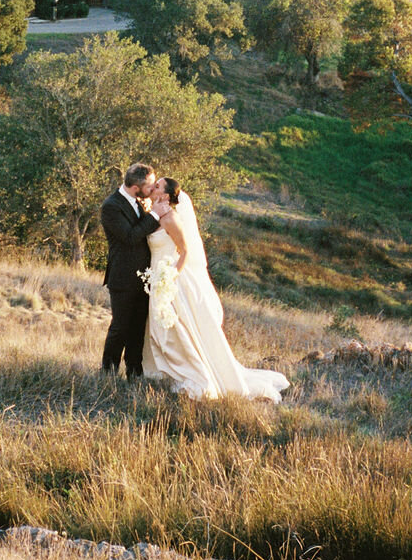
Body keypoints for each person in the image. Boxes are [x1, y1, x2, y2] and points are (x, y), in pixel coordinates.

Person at [142, 177, 288, 402]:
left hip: (172, 280)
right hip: (158, 276)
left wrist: (170, 277)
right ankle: (166, 371)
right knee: (163, 328)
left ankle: (194, 372)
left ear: (167, 196)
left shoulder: (171, 218)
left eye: (158, 186)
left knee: (178, 328)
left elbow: (184, 251)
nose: (154, 188)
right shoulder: (155, 216)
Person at [99, 161, 160, 379]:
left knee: (137, 330)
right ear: (136, 187)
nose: (152, 190)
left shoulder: (139, 201)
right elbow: (130, 237)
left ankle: (134, 373)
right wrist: (154, 216)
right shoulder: (111, 206)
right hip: (123, 277)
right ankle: (108, 373)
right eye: (150, 186)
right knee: (120, 327)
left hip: (143, 278)